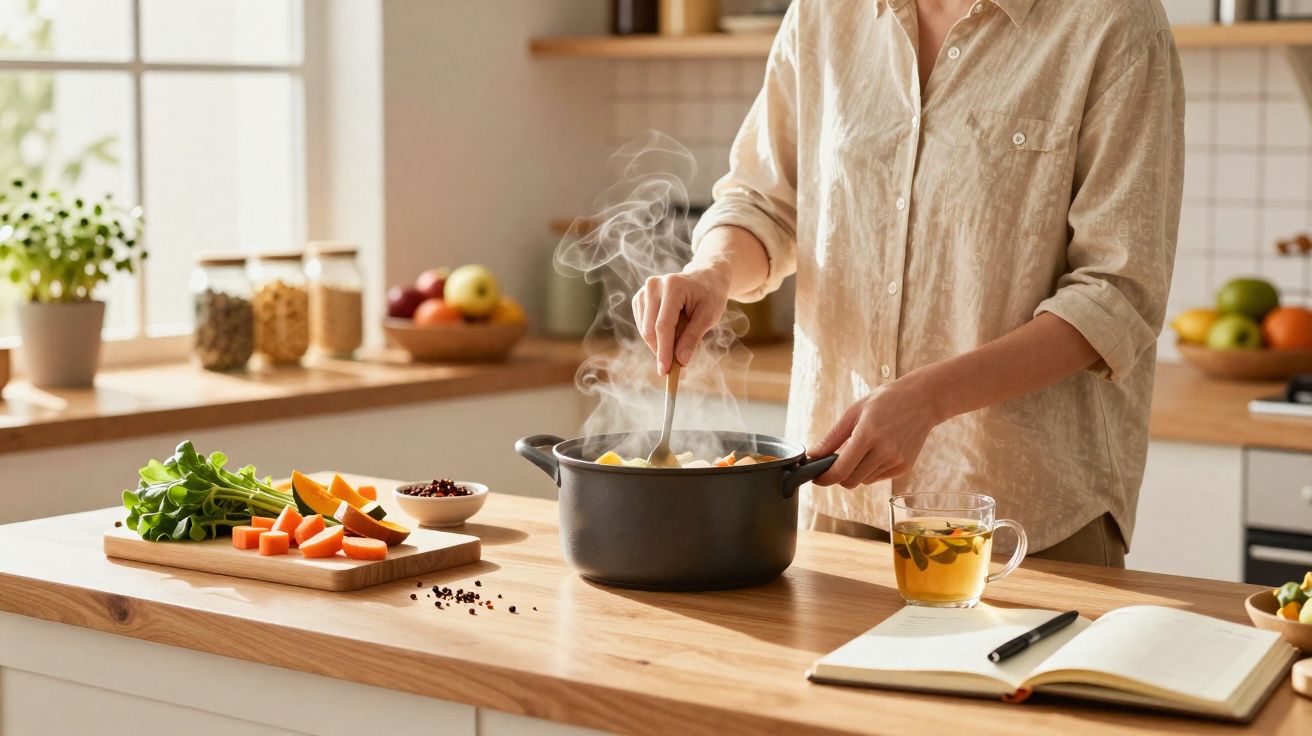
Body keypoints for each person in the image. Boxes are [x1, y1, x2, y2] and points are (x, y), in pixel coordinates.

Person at [631, 0, 1184, 567]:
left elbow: (1115, 294)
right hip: (835, 498)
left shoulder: (1113, 22)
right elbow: (763, 202)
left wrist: (928, 399)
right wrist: (713, 271)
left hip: (1019, 520)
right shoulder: (825, 13)